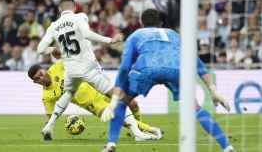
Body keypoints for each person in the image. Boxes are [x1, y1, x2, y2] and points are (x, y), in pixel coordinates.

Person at [101, 9, 235, 152]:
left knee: (123, 102)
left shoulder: (136, 35)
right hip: (176, 70)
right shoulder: (174, 35)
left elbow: (125, 67)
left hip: (148, 68)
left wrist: (115, 97)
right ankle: (227, 147)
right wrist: (213, 90)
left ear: (141, 23)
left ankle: (111, 144)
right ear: (160, 23)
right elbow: (197, 63)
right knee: (195, 108)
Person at [37, 0, 122, 139]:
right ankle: (137, 131)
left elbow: (40, 49)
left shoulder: (53, 25)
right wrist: (110, 40)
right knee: (114, 94)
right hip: (87, 67)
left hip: (71, 70)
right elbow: (87, 34)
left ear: (59, 10)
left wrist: (53, 49)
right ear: (75, 7)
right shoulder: (80, 17)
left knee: (69, 93)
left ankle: (49, 125)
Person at [27, 60, 162, 141]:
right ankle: (149, 130)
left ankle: (139, 129)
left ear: (43, 70)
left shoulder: (57, 67)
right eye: (37, 78)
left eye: (41, 74)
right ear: (34, 82)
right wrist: (48, 129)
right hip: (93, 104)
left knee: (132, 103)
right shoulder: (47, 96)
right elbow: (50, 117)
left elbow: (67, 57)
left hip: (99, 88)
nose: (41, 78)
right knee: (120, 118)